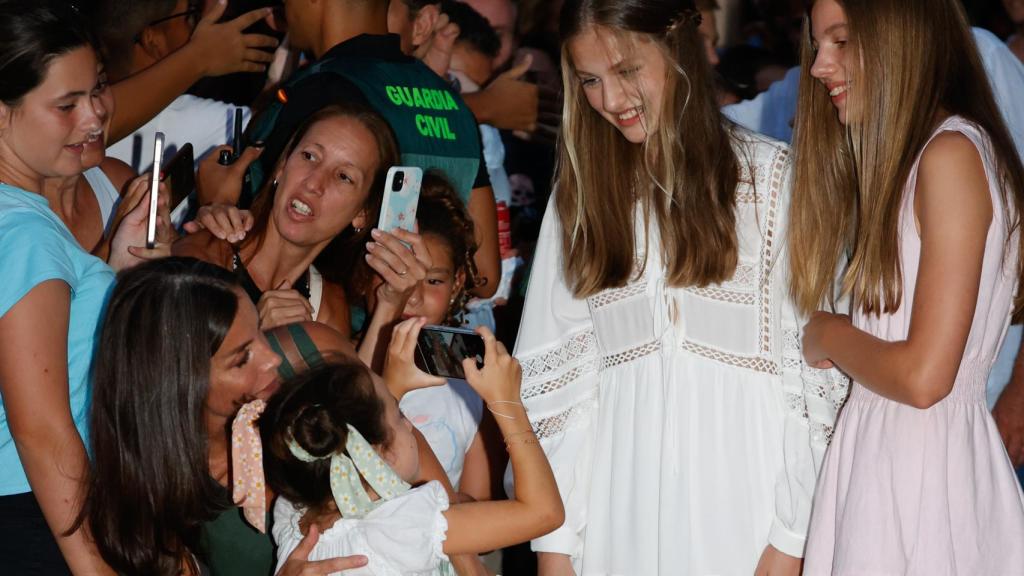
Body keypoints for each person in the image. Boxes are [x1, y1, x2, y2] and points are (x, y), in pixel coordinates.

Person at [513, 0, 845, 574]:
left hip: (747, 513)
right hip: (617, 521)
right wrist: (557, 547)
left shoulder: (775, 181)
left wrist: (791, 537)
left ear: (677, 50)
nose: (611, 101)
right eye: (590, 80)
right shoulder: (582, 203)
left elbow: (812, 379)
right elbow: (558, 389)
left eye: (626, 71)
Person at [790, 0, 1024, 572]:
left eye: (841, 43)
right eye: (818, 45)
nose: (820, 67)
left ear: (903, 35)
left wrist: (826, 333)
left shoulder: (950, 155)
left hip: (918, 468)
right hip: (894, 456)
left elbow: (924, 379)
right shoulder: (928, 156)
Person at [0, 1, 175, 572]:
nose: (96, 116)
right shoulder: (23, 230)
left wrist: (116, 267)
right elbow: (41, 427)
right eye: (66, 105)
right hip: (37, 515)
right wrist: (94, 564)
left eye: (98, 88)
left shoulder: (20, 218)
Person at [78, 257, 376, 575]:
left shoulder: (309, 364)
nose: (272, 358)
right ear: (180, 387)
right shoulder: (156, 501)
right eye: (242, 358)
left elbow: (431, 504)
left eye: (260, 331)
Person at [244, 0, 501, 301]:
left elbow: (251, 235)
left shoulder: (318, 91)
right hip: (411, 331)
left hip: (319, 325)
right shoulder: (453, 104)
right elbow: (484, 276)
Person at [255, 324, 563, 574]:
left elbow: (383, 454)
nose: (412, 426)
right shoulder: (400, 528)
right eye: (401, 415)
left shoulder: (294, 514)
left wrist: (391, 391)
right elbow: (544, 513)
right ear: (377, 454)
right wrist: (507, 402)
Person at [174, 102, 418, 338]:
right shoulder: (205, 258)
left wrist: (390, 303)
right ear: (282, 165)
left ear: (362, 213)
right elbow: (169, 371)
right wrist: (255, 333)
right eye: (309, 156)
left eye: (343, 176)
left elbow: (358, 381)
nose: (314, 183)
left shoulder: (327, 308)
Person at [360, 175, 497, 499]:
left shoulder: (472, 381)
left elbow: (478, 500)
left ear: (457, 282)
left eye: (433, 281)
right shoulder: (340, 359)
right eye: (398, 275)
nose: (413, 295)